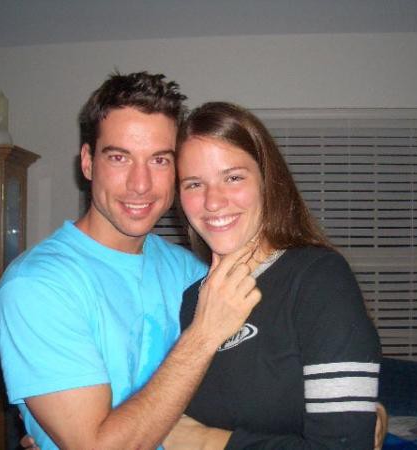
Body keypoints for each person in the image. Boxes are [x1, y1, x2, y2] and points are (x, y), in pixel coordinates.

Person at [0, 73, 261, 450]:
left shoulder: (190, 271)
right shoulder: (37, 287)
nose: (140, 184)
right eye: (119, 157)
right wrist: (203, 335)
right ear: (88, 163)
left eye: (159, 160)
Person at [161, 101, 382, 449]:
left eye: (233, 177)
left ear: (267, 180)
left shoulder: (319, 279)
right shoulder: (192, 300)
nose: (213, 202)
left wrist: (205, 442)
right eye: (193, 184)